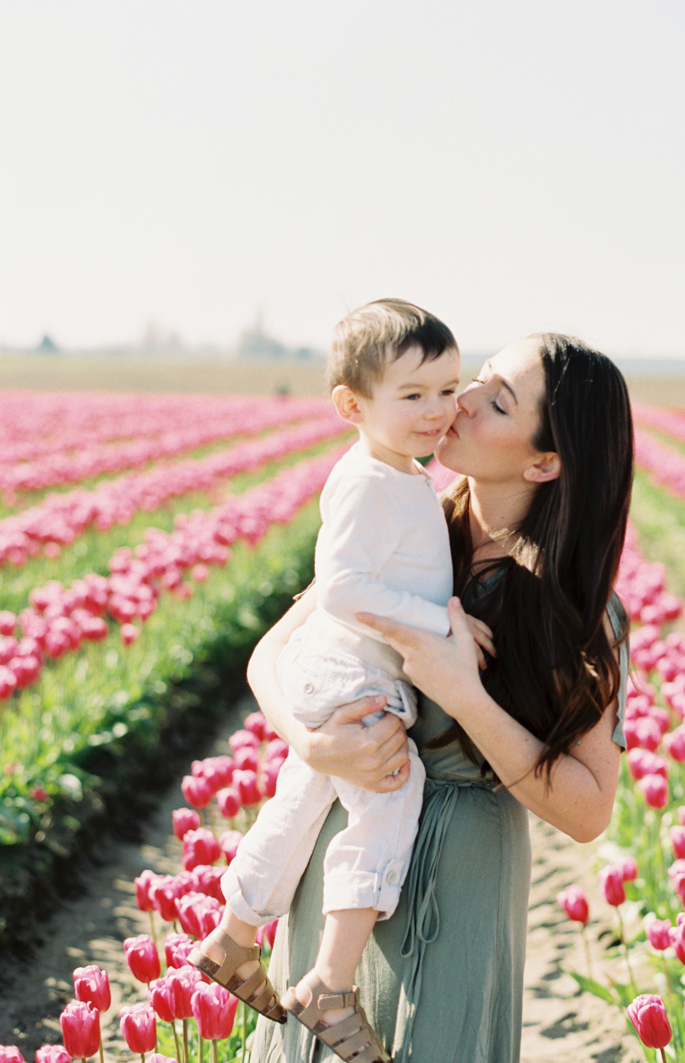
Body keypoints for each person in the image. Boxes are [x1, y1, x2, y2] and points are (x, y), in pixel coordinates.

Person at [249, 332, 634, 1063]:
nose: (459, 402)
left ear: (543, 460)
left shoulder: (580, 612)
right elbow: (273, 651)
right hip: (347, 857)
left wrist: (465, 695)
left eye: (496, 401)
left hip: (460, 873)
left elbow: (589, 811)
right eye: (478, 380)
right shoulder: (404, 517)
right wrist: (311, 744)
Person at [190, 300, 492, 1061]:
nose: (440, 410)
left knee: (301, 799)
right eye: (414, 394)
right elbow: (344, 587)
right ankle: (330, 978)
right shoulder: (368, 482)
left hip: (342, 662)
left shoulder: (401, 475)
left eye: (449, 388)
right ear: (352, 406)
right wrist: (440, 626)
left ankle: (232, 933)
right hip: (355, 666)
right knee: (391, 793)